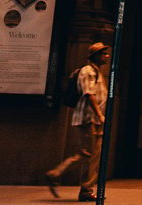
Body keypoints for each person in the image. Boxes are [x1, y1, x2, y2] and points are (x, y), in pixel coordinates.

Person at [44, 42, 109, 201]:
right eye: (104, 54)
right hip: (89, 119)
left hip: (94, 120)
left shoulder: (96, 71)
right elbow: (89, 93)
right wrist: (99, 115)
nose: (107, 56)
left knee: (92, 155)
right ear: (96, 56)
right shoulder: (88, 71)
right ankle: (57, 174)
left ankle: (86, 190)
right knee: (88, 153)